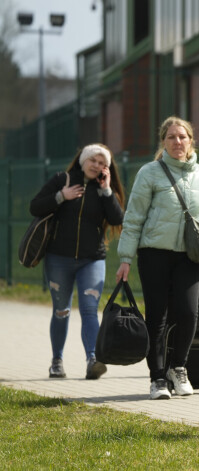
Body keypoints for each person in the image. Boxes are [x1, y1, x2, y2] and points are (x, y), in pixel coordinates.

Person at [116, 116, 199, 400]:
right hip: (154, 254)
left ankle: (178, 368)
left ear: (191, 141)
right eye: (171, 137)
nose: (177, 142)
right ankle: (157, 378)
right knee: (157, 316)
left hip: (188, 256)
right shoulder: (150, 172)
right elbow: (133, 217)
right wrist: (125, 258)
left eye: (182, 137)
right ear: (163, 142)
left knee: (188, 312)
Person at [29, 143, 125, 380]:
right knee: (61, 310)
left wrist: (106, 191)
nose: (97, 166)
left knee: (90, 310)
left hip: (91, 261)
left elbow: (117, 219)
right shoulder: (63, 179)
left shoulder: (104, 190)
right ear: (83, 160)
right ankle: (57, 361)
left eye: (103, 163)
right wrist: (62, 196)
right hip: (58, 259)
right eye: (93, 160)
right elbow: (35, 206)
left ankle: (93, 360)